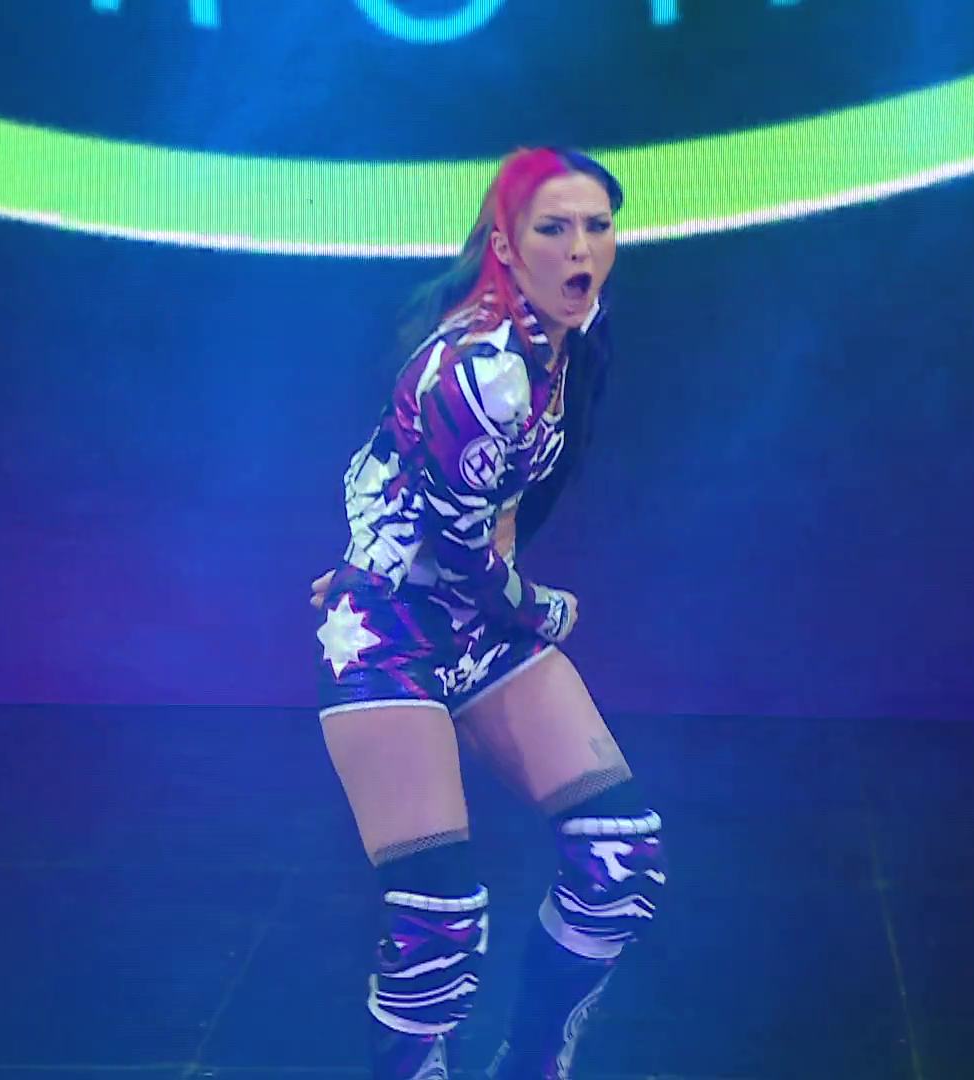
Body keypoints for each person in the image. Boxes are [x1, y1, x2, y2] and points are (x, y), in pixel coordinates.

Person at [308, 147, 668, 1080]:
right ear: (505, 246)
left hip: (475, 620)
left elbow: (489, 496)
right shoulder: (478, 367)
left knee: (618, 860)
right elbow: (463, 551)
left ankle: (532, 1066)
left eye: (597, 226)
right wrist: (540, 608)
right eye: (555, 228)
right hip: (390, 630)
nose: (581, 248)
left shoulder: (570, 337)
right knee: (439, 919)